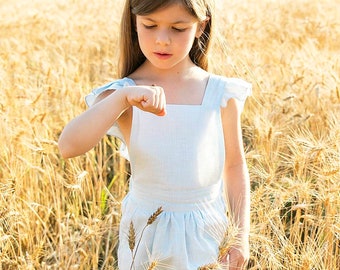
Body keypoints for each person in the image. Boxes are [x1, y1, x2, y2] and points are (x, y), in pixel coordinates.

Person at [58, 0, 251, 269]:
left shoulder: (220, 92)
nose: (163, 40)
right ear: (134, 23)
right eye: (150, 25)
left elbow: (234, 165)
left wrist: (241, 237)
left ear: (200, 27)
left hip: (207, 232)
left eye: (178, 28)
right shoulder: (124, 92)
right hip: (146, 235)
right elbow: (68, 146)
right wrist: (123, 98)